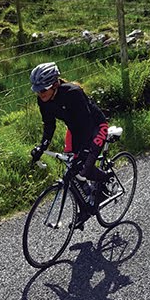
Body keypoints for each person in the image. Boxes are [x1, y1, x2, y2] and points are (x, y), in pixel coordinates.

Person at [28, 62, 110, 205]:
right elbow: (49, 125)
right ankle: (85, 208)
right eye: (37, 90)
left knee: (84, 169)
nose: (40, 94)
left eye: (42, 90)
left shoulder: (73, 93)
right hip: (75, 130)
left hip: (96, 127)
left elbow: (87, 123)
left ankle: (106, 179)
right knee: (71, 169)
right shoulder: (43, 101)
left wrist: (85, 150)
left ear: (54, 85)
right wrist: (42, 146)